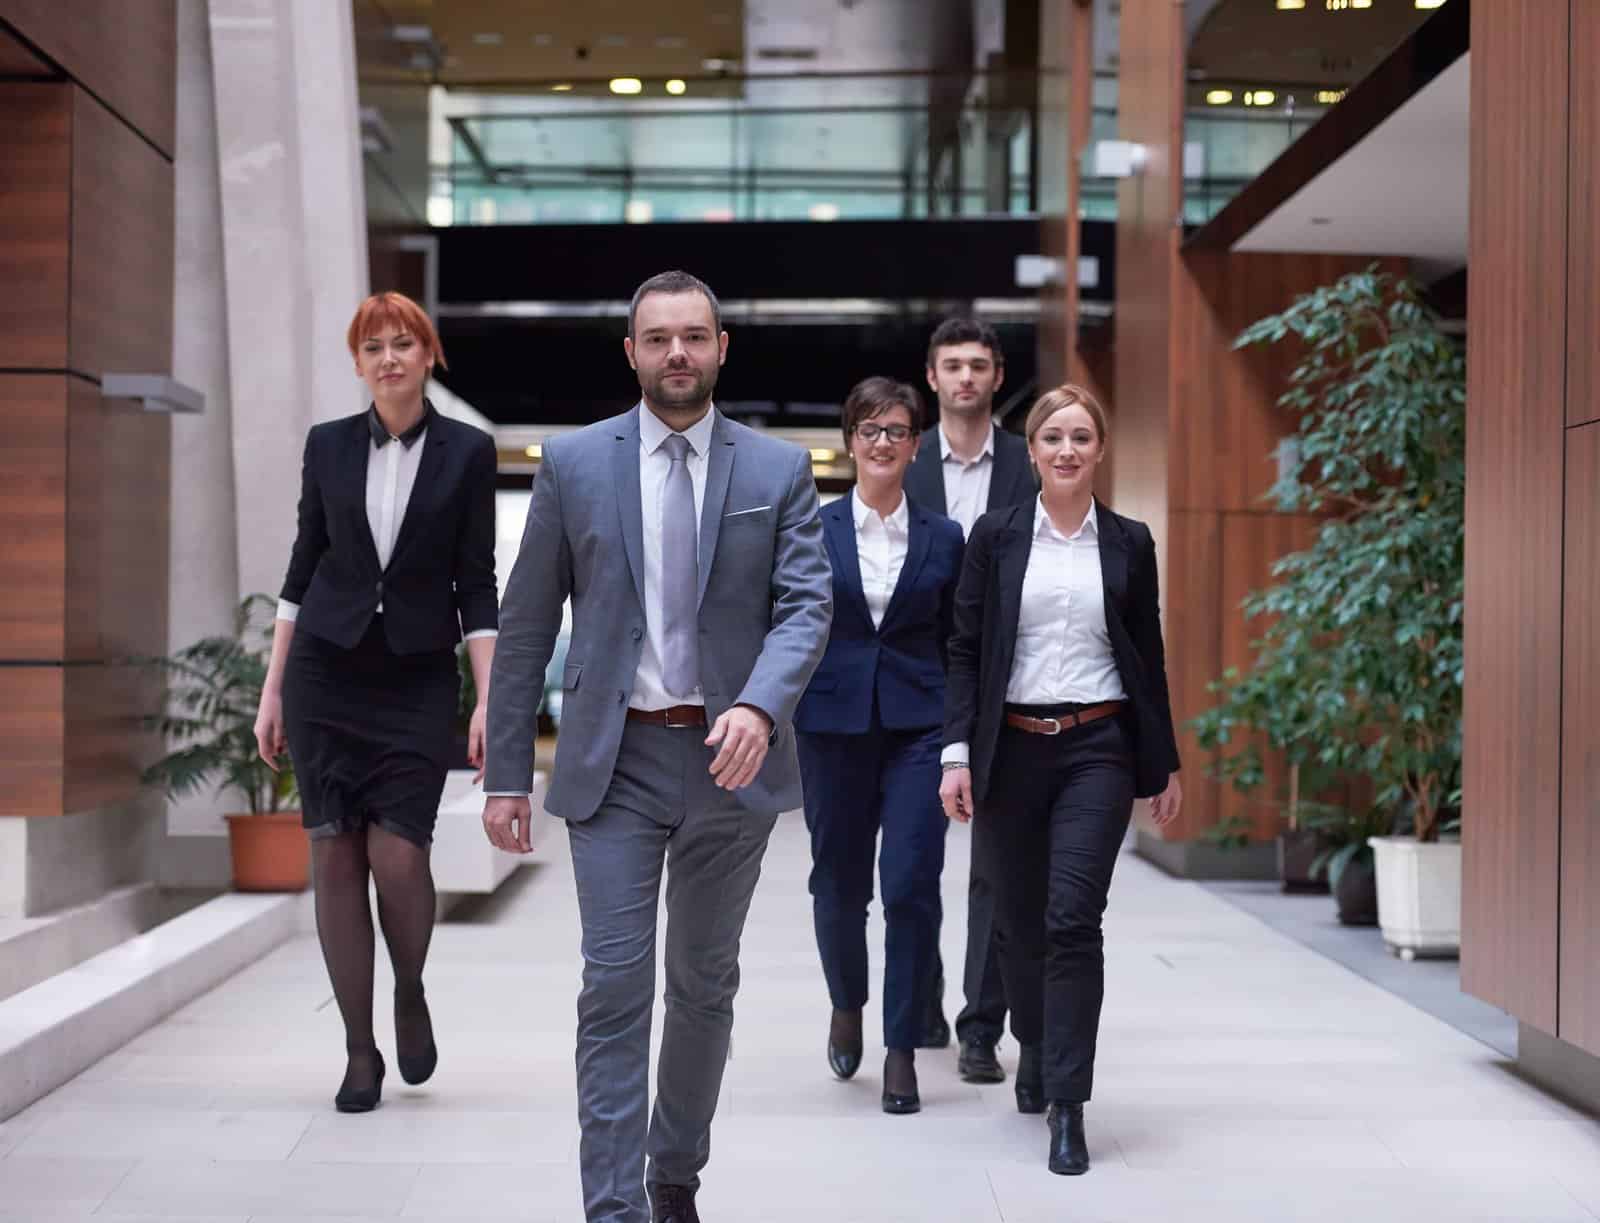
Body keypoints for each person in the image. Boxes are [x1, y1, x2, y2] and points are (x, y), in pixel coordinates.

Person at [481, 270, 832, 1223]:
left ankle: (674, 1172)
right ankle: (614, 1207)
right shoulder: (575, 463)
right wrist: (506, 772)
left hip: (731, 762)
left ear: (722, 348)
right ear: (630, 352)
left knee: (704, 982)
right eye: (657, 338)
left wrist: (760, 706)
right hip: (613, 762)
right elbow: (523, 626)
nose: (677, 352)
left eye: (694, 336)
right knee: (615, 981)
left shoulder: (776, 471)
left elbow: (807, 605)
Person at [253, 291, 499, 1113]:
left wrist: (489, 700)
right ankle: (360, 1052)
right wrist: (273, 687)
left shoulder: (468, 451)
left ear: (428, 355)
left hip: (418, 676)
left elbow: (478, 584)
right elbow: (301, 568)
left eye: (404, 343)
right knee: (335, 856)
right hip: (326, 671)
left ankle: (409, 984)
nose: (389, 357)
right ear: (357, 363)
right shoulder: (326, 446)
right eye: (373, 347)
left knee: (399, 855)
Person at [939, 383, 1182, 1176]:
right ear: (1032, 452)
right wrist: (954, 754)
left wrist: (1162, 762)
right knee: (1016, 921)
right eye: (1053, 438)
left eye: (1082, 437)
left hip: (1097, 746)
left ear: (1099, 449)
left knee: (1074, 917)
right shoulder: (997, 535)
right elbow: (966, 650)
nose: (1068, 450)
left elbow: (1147, 654)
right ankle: (1036, 1041)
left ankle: (1068, 1104)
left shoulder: (1130, 542)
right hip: (1010, 748)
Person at [794, 377, 964, 1115]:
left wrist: (958, 741)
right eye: (870, 429)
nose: (884, 442)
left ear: (916, 443)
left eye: (897, 430)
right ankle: (845, 1000)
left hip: (920, 727)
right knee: (837, 884)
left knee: (909, 885)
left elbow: (960, 643)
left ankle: (901, 1046)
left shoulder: (944, 536)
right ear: (850, 441)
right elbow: (791, 626)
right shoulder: (813, 529)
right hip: (833, 726)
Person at [902, 317, 1034, 1079]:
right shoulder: (903, 456)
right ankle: (919, 1002)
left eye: (978, 365)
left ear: (996, 374)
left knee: (997, 866)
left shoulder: (1028, 460)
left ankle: (982, 1025)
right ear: (931, 375)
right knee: (914, 863)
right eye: (952, 364)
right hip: (917, 682)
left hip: (1004, 682)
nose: (965, 378)